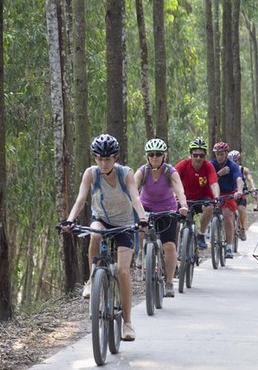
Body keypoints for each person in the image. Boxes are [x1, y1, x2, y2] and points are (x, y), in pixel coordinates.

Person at [62, 134, 148, 341]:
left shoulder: (125, 174)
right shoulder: (91, 174)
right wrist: (70, 219)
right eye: (99, 158)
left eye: (107, 159)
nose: (103, 163)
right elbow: (81, 198)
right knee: (94, 234)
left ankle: (127, 323)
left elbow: (135, 198)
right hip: (100, 217)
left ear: (115, 158)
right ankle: (92, 279)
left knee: (123, 271)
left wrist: (143, 218)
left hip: (124, 223)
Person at [134, 138, 190, 297]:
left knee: (169, 247)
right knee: (141, 224)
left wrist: (183, 206)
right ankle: (140, 253)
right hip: (147, 207)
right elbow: (132, 188)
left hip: (168, 209)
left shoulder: (170, 171)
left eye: (158, 154)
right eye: (151, 154)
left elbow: (179, 190)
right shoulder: (143, 171)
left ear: (164, 156)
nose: (154, 157)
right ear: (147, 156)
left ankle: (169, 282)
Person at [174, 138, 220, 250]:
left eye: (201, 155)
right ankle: (173, 248)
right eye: (195, 155)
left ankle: (201, 234)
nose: (198, 158)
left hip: (201, 198)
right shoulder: (183, 164)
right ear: (191, 155)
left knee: (209, 208)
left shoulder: (208, 166)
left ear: (205, 156)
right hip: (184, 198)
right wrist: (173, 196)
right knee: (174, 221)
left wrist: (217, 198)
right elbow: (172, 180)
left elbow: (214, 184)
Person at [209, 142, 244, 259]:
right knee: (207, 208)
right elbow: (207, 179)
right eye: (217, 154)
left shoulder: (232, 165)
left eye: (222, 154)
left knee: (227, 214)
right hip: (213, 193)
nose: (219, 156)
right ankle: (210, 230)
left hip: (228, 194)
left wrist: (239, 191)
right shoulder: (211, 165)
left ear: (226, 154)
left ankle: (229, 246)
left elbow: (239, 178)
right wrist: (219, 173)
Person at [228, 150, 256, 242]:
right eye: (231, 161)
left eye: (235, 161)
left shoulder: (244, 170)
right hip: (230, 194)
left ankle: (243, 229)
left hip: (241, 194)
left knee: (241, 210)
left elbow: (250, 179)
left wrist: (253, 188)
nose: (233, 163)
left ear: (238, 161)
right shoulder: (227, 170)